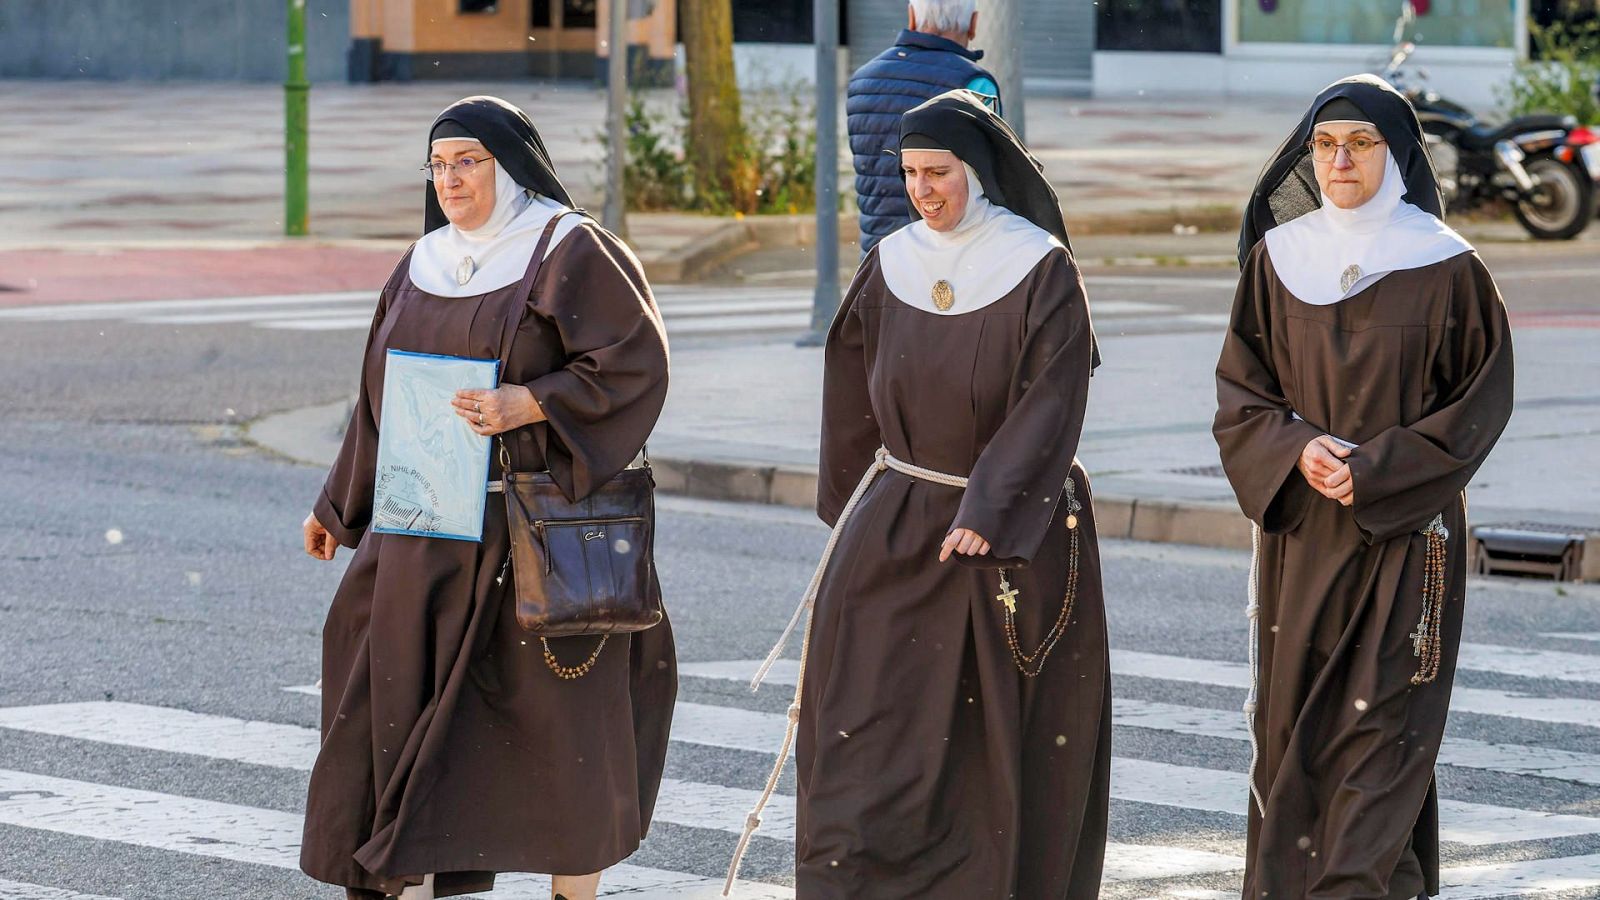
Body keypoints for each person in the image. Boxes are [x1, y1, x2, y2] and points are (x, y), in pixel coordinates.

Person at [728, 90, 1109, 899]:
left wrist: (990, 510)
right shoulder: (891, 260)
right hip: (900, 523)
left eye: (938, 172)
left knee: (989, 746)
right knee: (861, 733)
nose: (923, 190)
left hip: (1006, 538)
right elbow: (851, 390)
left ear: (976, 172)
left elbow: (1053, 397)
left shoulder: (1037, 266)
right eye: (909, 174)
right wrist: (859, 508)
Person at [297, 95, 675, 900]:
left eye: (466, 161)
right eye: (437, 165)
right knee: (394, 714)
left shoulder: (568, 250)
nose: (449, 180)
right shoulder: (422, 263)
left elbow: (634, 362)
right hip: (422, 530)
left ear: (508, 164)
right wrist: (338, 508)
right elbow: (379, 400)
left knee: (559, 739)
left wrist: (530, 402)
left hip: (528, 538)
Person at [1214, 75, 1514, 900]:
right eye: (1325, 145)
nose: (1339, 160)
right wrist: (1295, 448)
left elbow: (1480, 401)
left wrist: (1377, 471)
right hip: (1302, 541)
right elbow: (1243, 391)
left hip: (1406, 539)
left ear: (1398, 155)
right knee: (1297, 736)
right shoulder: (1279, 259)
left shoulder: (1447, 266)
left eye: (1360, 144)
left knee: (1380, 733)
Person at [847, 0, 1001, 254]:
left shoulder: (863, 79)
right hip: (952, 252)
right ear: (973, 24)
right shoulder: (974, 83)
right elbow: (989, 177)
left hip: (879, 253)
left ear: (911, 17)